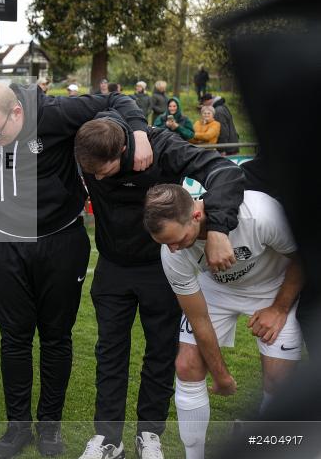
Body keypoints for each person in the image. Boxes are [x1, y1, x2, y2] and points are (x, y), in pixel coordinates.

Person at [0, 81, 154, 458]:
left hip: (60, 241)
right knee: (15, 339)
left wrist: (139, 132)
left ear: (17, 112)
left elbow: (117, 98)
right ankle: (17, 427)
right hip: (7, 244)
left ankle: (49, 428)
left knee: (55, 337)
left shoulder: (54, 113)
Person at [73, 115, 246, 459]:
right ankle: (109, 439)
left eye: (102, 170)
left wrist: (219, 230)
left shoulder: (163, 146)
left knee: (162, 352)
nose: (95, 178)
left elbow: (226, 172)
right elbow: (106, 104)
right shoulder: (91, 147)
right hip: (113, 266)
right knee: (109, 353)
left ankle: (149, 434)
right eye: (89, 171)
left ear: (124, 149)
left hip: (163, 266)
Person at [144, 185, 303, 459]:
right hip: (216, 290)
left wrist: (278, 308)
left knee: (280, 380)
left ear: (196, 215)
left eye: (178, 239)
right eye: (165, 243)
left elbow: (305, 257)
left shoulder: (259, 214)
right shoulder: (171, 253)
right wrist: (222, 377)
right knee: (186, 364)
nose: (173, 249)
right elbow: (198, 317)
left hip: (274, 287)